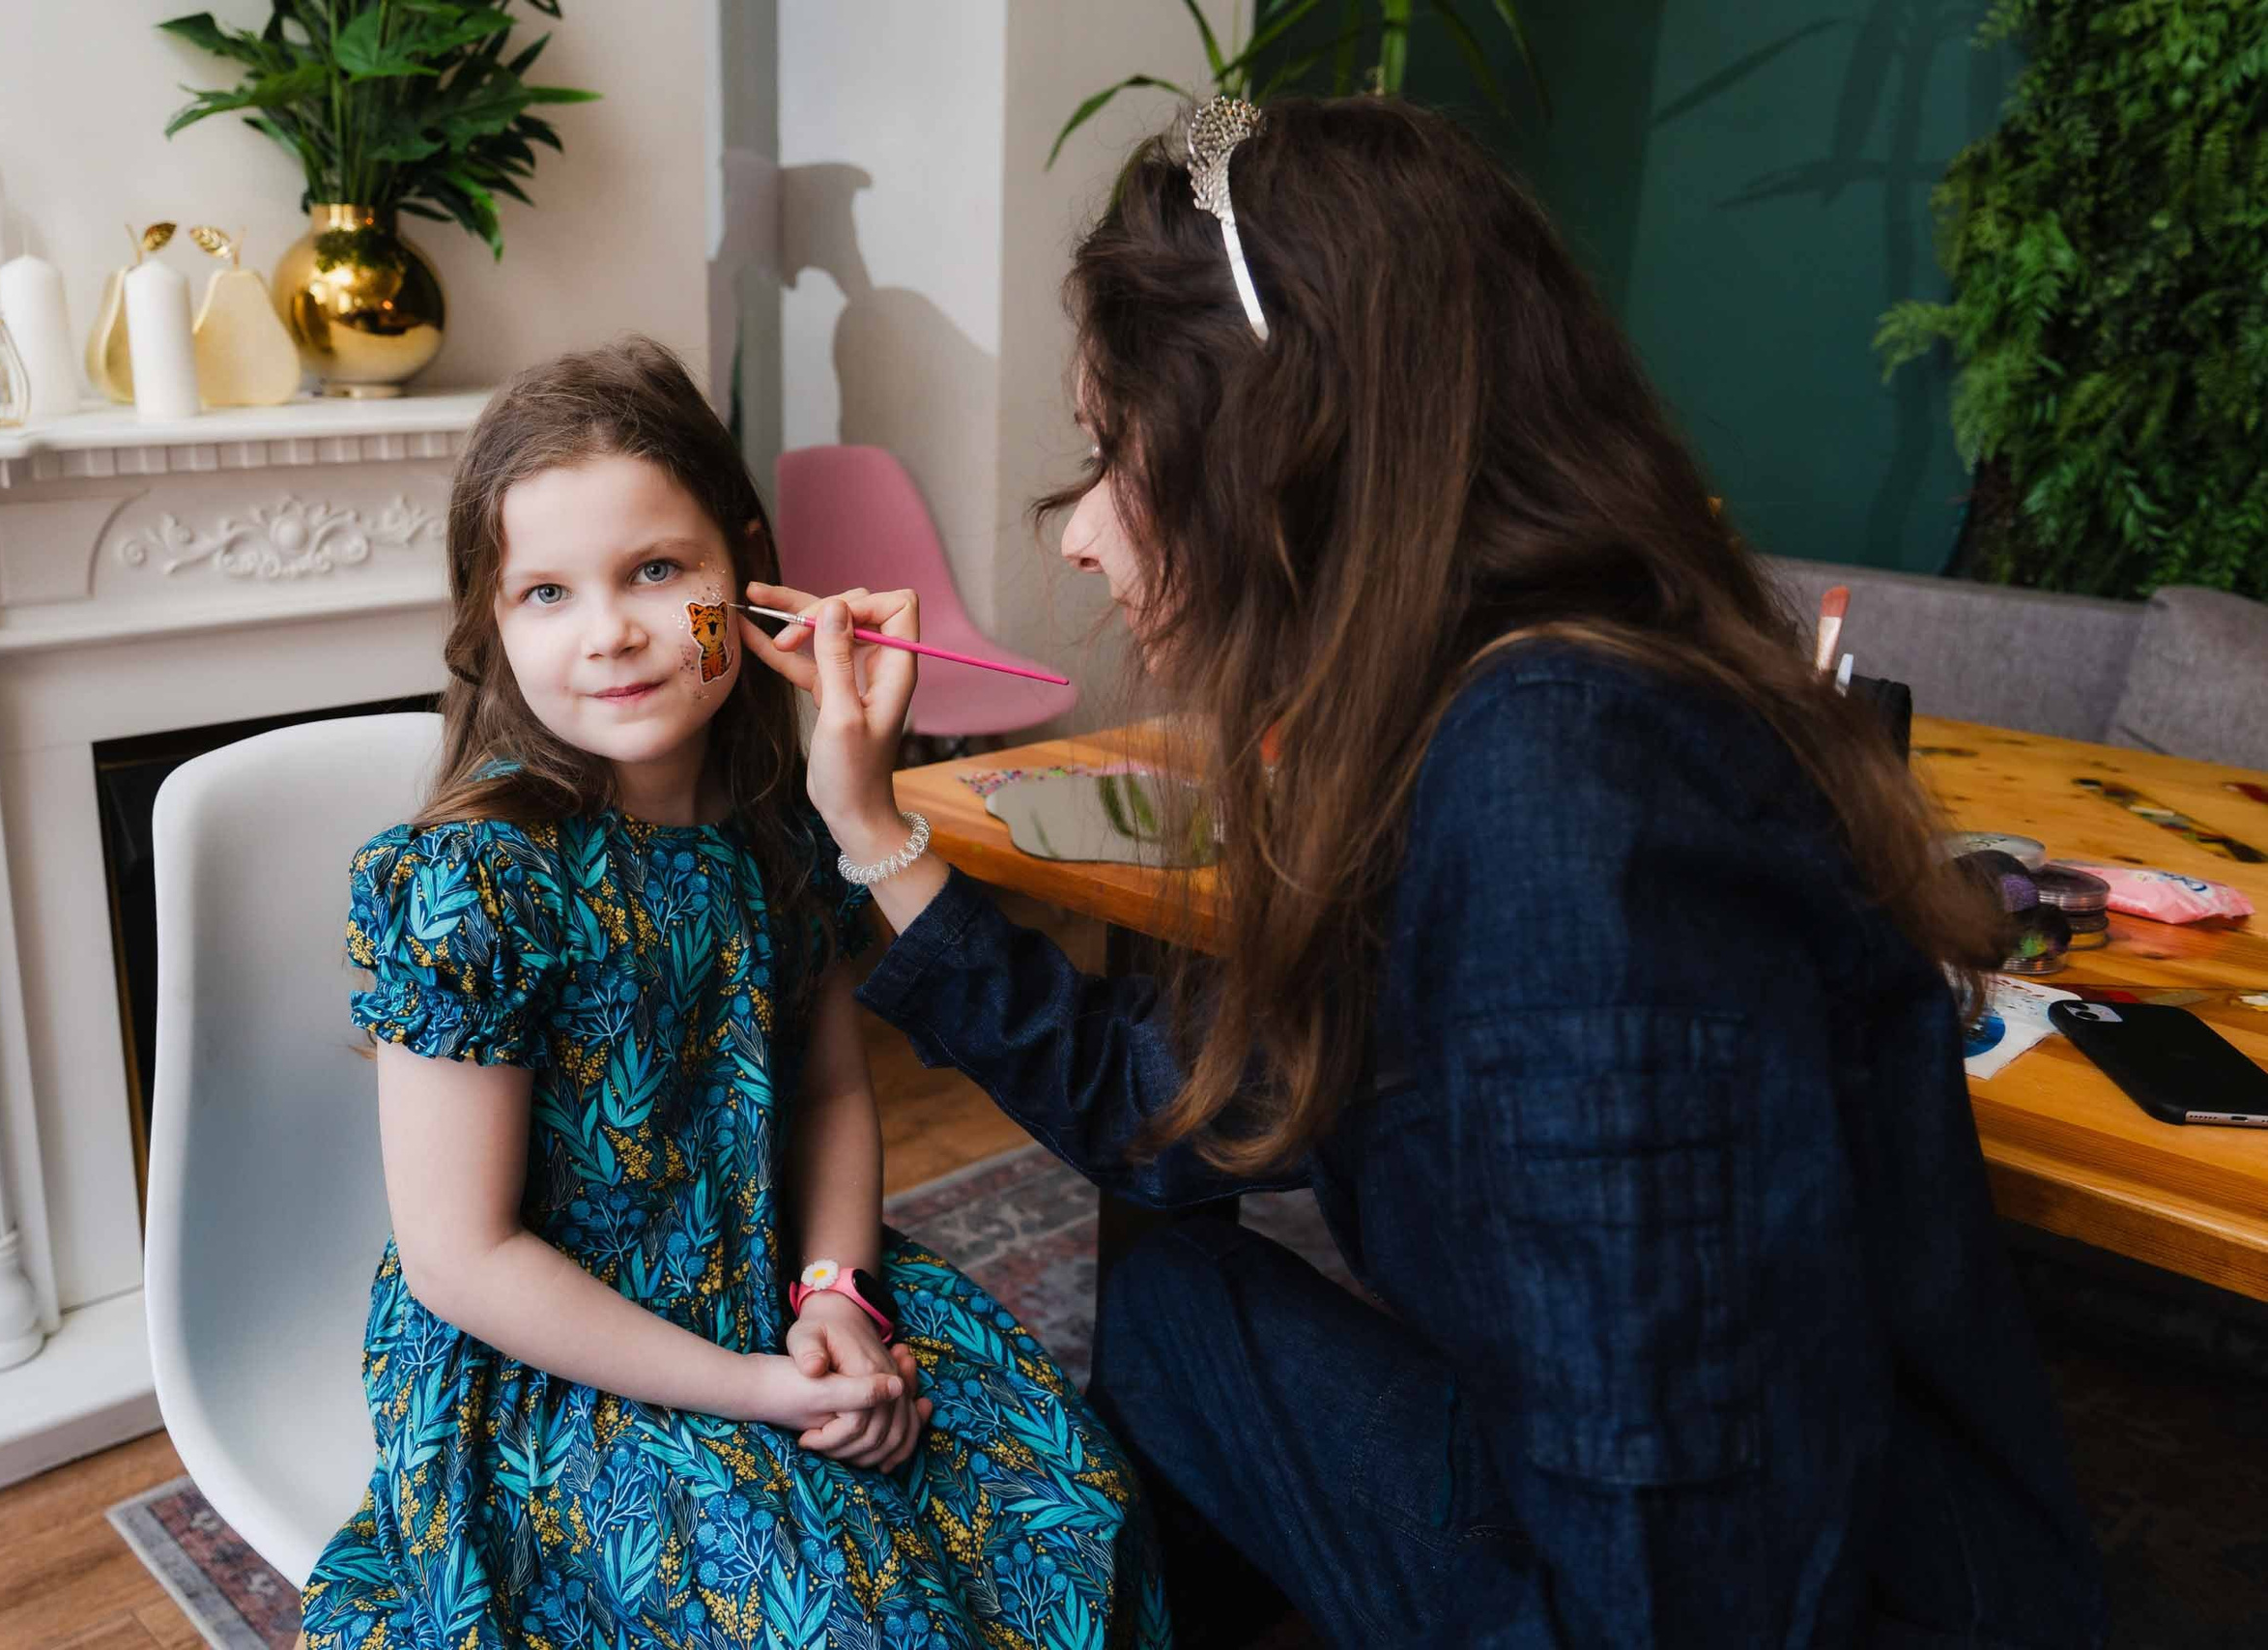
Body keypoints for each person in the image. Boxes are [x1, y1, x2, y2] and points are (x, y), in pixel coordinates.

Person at [742, 98, 2109, 1647]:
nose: (1083, 535)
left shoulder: (1562, 792)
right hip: (1628, 1497)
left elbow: (1684, 1543)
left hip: (1827, 1603)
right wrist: (872, 825)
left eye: (1118, 456)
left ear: (1277, 458)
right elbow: (1175, 1115)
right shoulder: (1461, 720)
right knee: (1181, 1308)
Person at [299, 339, 1169, 1650]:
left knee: (1071, 1491)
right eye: (547, 593)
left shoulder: (782, 828)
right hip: (553, 1364)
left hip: (770, 1276)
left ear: (745, 575)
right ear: (490, 625)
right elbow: (461, 1258)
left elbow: (825, 1093)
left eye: (657, 569)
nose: (612, 631)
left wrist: (835, 1296)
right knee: (846, 1618)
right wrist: (759, 1388)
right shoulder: (473, 887)